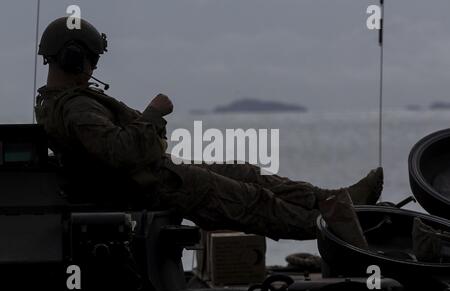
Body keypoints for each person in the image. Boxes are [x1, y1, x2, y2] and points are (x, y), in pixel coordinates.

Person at [35, 17, 383, 243]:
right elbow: (121, 152)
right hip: (156, 186)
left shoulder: (63, 102)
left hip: (162, 173)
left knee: (249, 175)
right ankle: (346, 229)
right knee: (253, 202)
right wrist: (154, 114)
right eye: (92, 59)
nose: (93, 66)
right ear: (72, 57)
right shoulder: (76, 107)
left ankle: (339, 200)